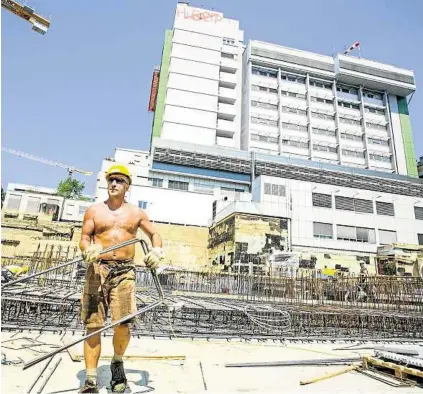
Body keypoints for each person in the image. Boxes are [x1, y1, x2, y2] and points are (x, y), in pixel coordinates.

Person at [79, 164, 165, 393]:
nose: (113, 184)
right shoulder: (94, 211)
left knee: (124, 323)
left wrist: (156, 250)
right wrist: (87, 249)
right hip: (97, 269)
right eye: (110, 180)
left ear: (127, 186)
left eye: (118, 180)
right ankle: (90, 379)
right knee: (93, 324)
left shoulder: (135, 213)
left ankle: (117, 363)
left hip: (124, 272)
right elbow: (84, 237)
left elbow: (154, 234)